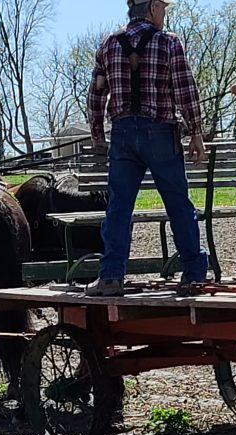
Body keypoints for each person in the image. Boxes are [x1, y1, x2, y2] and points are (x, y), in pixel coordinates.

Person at [85, 0, 208, 296]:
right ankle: (193, 274)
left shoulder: (109, 44)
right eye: (163, 8)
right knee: (178, 204)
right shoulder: (168, 42)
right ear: (153, 8)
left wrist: (98, 133)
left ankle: (111, 276)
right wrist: (196, 132)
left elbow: (97, 92)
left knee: (119, 207)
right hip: (160, 131)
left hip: (123, 133)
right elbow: (184, 88)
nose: (164, 14)